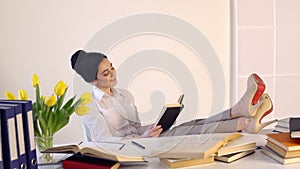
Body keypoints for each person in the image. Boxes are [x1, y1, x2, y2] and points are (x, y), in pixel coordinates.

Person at [71, 50, 277, 142]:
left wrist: (156, 125)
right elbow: (103, 141)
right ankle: (243, 116)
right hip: (129, 150)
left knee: (193, 124)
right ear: (93, 81)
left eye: (112, 68)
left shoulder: (124, 95)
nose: (113, 74)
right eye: (106, 73)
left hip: (142, 142)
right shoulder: (87, 105)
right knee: (193, 132)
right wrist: (141, 137)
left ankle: (243, 118)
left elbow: (136, 128)